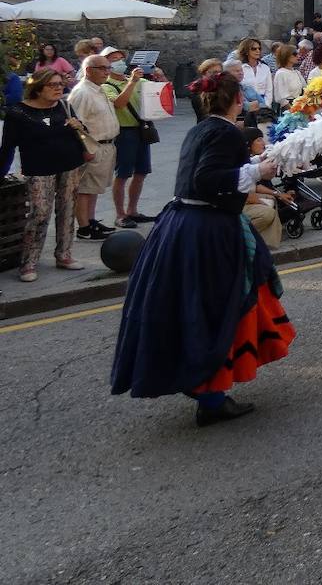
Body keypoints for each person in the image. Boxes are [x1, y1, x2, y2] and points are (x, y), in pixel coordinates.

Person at [110, 71, 293, 426]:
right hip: (207, 230)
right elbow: (207, 180)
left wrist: (256, 166)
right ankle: (210, 396)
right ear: (236, 99)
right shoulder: (226, 131)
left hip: (183, 223)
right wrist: (257, 173)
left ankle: (204, 386)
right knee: (217, 308)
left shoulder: (202, 128)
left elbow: (209, 172)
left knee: (197, 305)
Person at [0, 69, 88, 281]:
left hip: (70, 165)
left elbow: (81, 133)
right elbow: (8, 146)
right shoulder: (18, 113)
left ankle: (64, 255)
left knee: (67, 210)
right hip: (38, 169)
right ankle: (29, 262)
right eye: (53, 85)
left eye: (60, 84)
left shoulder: (64, 106)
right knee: (39, 213)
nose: (59, 88)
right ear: (37, 88)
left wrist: (80, 127)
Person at [68, 55, 122, 239]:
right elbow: (76, 124)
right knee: (85, 188)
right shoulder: (83, 92)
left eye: (108, 68)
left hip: (106, 145)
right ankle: (84, 227)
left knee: (95, 188)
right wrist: (85, 149)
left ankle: (90, 221)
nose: (107, 72)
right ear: (88, 70)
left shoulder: (98, 89)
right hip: (93, 146)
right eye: (102, 68)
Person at [101, 56, 155, 229]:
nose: (121, 62)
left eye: (121, 58)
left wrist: (160, 78)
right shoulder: (106, 85)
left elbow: (160, 91)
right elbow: (119, 103)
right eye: (115, 60)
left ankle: (132, 210)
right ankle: (120, 214)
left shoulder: (139, 81)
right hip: (124, 132)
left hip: (141, 129)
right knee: (123, 174)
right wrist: (132, 82)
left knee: (141, 172)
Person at [239, 127, 284, 251]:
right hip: (240, 202)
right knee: (268, 212)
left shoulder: (250, 159)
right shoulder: (241, 161)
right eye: (259, 140)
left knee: (271, 201)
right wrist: (276, 195)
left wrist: (276, 194)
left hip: (246, 198)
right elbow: (250, 192)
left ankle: (267, 242)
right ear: (249, 143)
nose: (263, 143)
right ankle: (238, 237)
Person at [272, 44, 305, 114]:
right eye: (295, 54)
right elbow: (281, 98)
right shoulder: (281, 73)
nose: (298, 56)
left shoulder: (297, 72)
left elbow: (305, 88)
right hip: (287, 110)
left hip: (298, 106)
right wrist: (293, 110)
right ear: (286, 56)